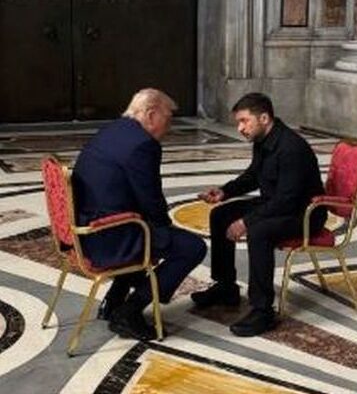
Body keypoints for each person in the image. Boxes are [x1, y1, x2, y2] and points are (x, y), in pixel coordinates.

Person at [72, 88, 206, 340]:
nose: (169, 127)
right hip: (109, 237)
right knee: (191, 247)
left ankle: (113, 300)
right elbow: (150, 199)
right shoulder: (143, 144)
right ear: (151, 114)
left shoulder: (112, 130)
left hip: (85, 230)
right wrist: (165, 230)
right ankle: (129, 311)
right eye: (168, 118)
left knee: (149, 232)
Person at [191, 92, 327, 337]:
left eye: (244, 121)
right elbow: (254, 175)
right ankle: (226, 287)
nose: (240, 128)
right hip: (277, 204)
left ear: (264, 118)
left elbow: (287, 200)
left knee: (259, 231)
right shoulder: (263, 139)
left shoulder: (291, 148)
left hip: (304, 214)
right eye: (238, 123)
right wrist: (225, 191)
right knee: (220, 215)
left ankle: (263, 310)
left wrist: (246, 221)